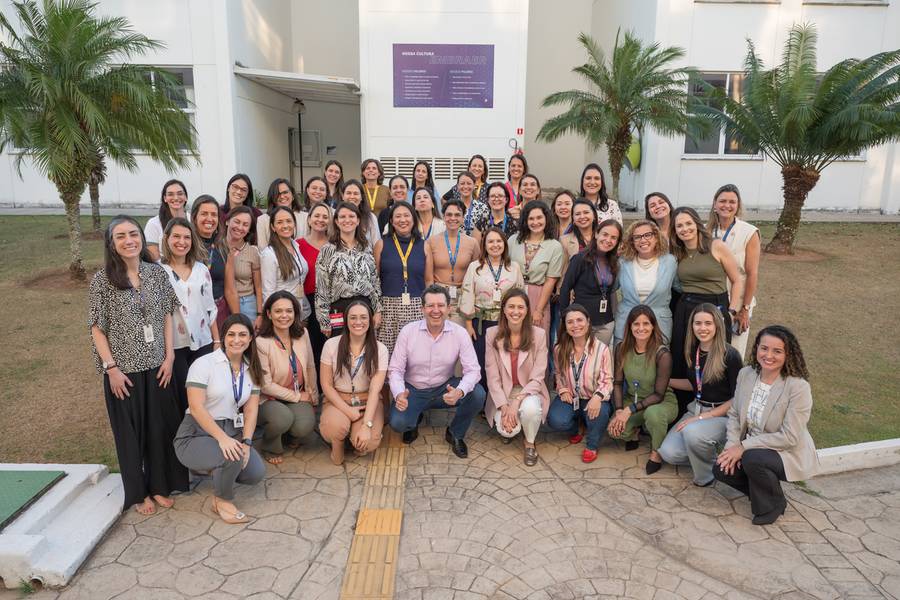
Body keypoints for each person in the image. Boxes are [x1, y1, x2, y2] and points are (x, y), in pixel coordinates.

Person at [89, 215, 188, 514]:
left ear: (142, 238)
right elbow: (97, 328)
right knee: (131, 437)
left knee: (159, 430)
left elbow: (168, 315)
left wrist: (169, 356)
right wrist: (111, 369)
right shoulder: (103, 280)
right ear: (111, 243)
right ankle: (138, 493)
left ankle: (159, 485)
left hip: (158, 366)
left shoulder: (156, 273)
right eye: (120, 236)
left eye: (133, 234)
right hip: (124, 373)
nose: (129, 240)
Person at [714, 326, 818, 525]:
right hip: (752, 447)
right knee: (721, 469)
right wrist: (731, 447)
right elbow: (735, 414)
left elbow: (789, 437)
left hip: (787, 451)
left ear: (788, 354)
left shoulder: (798, 387)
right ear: (757, 348)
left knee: (752, 459)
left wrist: (743, 447)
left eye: (777, 351)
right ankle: (768, 493)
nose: (768, 355)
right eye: (764, 348)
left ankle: (772, 504)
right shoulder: (746, 374)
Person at [173, 314, 265, 524]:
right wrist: (223, 440)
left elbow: (251, 410)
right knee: (231, 455)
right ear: (223, 337)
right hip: (195, 433)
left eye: (243, 334)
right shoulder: (204, 363)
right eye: (231, 334)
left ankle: (217, 464)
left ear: (251, 338)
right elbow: (196, 408)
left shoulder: (251, 367)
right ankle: (221, 500)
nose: (236, 340)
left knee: (255, 474)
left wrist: (247, 442)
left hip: (231, 429)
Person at [388, 284, 487, 458]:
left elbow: (473, 370)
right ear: (422, 308)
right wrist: (398, 394)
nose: (436, 310)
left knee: (477, 394)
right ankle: (414, 420)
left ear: (449, 308)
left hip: (444, 388)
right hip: (413, 391)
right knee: (398, 423)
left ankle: (455, 433)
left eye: (441, 305)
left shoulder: (460, 333)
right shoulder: (408, 332)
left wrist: (460, 391)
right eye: (430, 306)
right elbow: (395, 369)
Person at [670, 206, 743, 415]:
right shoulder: (678, 252)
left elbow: (737, 279)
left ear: (697, 224)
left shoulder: (716, 246)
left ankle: (717, 410)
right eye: (679, 226)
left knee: (715, 360)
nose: (684, 229)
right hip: (686, 309)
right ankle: (683, 410)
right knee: (684, 358)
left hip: (714, 308)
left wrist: (732, 310)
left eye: (688, 223)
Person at [658, 304, 743, 485]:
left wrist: (705, 417)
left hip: (722, 415)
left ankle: (707, 476)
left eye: (708, 323)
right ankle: (710, 454)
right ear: (692, 326)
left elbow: (738, 398)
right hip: (695, 410)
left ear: (717, 326)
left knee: (693, 433)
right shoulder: (693, 351)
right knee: (668, 453)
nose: (702, 328)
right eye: (698, 323)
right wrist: (664, 382)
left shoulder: (731, 355)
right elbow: (694, 385)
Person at [608, 306, 679, 474]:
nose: (641, 328)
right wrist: (619, 410)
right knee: (615, 431)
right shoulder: (621, 348)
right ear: (630, 327)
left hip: (661, 403)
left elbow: (659, 395)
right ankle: (635, 431)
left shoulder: (662, 354)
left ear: (653, 326)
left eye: (646, 323)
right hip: (632, 399)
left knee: (653, 415)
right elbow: (617, 383)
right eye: (636, 324)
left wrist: (628, 410)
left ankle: (656, 452)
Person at [160, 218, 219, 414]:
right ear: (166, 239)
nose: (181, 242)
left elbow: (210, 308)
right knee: (182, 395)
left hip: (203, 341)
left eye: (186, 237)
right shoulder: (158, 272)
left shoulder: (202, 269)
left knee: (205, 393)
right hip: (175, 344)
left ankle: (203, 436)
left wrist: (217, 341)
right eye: (176, 236)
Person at [483, 289, 549, 463]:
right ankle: (515, 424)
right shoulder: (492, 334)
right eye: (511, 306)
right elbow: (492, 376)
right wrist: (505, 406)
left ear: (527, 310)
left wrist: (517, 402)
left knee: (531, 410)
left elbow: (537, 377)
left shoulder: (539, 335)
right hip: (504, 391)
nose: (515, 311)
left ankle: (529, 443)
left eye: (520, 307)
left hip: (528, 390)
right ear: (503, 309)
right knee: (508, 431)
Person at [319, 300, 389, 465]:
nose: (358, 322)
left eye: (363, 317)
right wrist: (348, 411)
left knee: (369, 441)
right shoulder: (331, 345)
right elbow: (326, 385)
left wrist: (366, 425)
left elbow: (374, 390)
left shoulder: (381, 349)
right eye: (353, 318)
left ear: (371, 321)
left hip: (366, 401)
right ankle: (338, 444)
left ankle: (356, 438)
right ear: (346, 320)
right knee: (334, 428)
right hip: (338, 399)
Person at [255, 292, 318, 464]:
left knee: (304, 427)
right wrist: (299, 397)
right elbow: (266, 386)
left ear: (295, 313)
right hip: (268, 398)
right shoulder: (261, 342)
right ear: (269, 314)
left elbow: (311, 366)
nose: (284, 316)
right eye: (278, 311)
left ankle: (288, 435)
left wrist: (313, 396)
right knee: (282, 418)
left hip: (296, 393)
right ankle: (270, 446)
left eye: (289, 311)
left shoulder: (302, 333)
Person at [546, 305, 613, 463]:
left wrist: (597, 397)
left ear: (588, 322)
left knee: (600, 413)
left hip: (592, 398)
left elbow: (607, 380)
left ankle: (592, 444)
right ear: (565, 325)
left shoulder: (602, 349)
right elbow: (558, 373)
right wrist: (562, 389)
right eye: (570, 322)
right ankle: (578, 427)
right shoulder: (559, 349)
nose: (575, 325)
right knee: (555, 420)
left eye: (579, 320)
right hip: (572, 398)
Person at [459, 227, 525, 387]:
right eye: (490, 241)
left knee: (504, 361)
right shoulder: (475, 267)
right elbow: (467, 293)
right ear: (484, 245)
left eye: (498, 241)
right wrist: (468, 324)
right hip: (481, 324)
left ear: (504, 244)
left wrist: (518, 324)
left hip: (507, 323)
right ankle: (481, 402)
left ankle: (501, 399)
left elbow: (521, 295)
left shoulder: (513, 267)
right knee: (482, 361)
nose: (495, 245)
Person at [707, 184, 760, 357]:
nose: (727, 205)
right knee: (709, 350)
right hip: (710, 298)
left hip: (736, 303)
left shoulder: (748, 232)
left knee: (733, 353)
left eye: (732, 202)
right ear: (715, 204)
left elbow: (752, 274)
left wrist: (744, 309)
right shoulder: (705, 231)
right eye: (722, 201)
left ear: (738, 205)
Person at [315, 202, 383, 337]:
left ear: (358, 220)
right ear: (336, 221)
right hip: (339, 310)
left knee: (365, 352)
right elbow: (321, 287)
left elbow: (374, 282)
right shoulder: (327, 250)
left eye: (351, 216)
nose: (347, 220)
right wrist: (324, 320)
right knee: (340, 352)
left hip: (365, 308)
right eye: (342, 217)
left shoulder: (366, 248)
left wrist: (378, 310)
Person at [374, 202, 429, 354]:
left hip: (417, 307)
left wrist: (428, 307)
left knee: (415, 353)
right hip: (388, 308)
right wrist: (377, 309)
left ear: (414, 219)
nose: (402, 220)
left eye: (406, 215)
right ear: (391, 221)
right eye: (398, 216)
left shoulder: (424, 245)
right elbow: (375, 281)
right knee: (388, 353)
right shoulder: (381, 244)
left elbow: (429, 280)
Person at [558, 219, 622, 346]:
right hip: (581, 322)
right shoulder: (580, 259)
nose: (608, 240)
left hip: (605, 323)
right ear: (597, 234)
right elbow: (565, 289)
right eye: (605, 234)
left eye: (614, 238)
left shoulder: (615, 262)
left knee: (599, 360)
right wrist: (566, 318)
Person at [615, 220, 677, 344]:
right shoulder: (623, 262)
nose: (643, 240)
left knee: (659, 362)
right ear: (632, 242)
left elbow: (680, 287)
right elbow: (611, 288)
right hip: (626, 323)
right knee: (623, 361)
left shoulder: (670, 262)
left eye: (648, 235)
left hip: (659, 324)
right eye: (637, 237)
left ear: (656, 237)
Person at [508, 201, 564, 333]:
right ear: (525, 221)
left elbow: (551, 280)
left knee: (536, 337)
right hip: (513, 292)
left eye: (539, 218)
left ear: (546, 219)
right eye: (531, 218)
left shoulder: (554, 246)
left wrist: (539, 309)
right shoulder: (513, 241)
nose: (535, 222)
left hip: (539, 295)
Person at [424, 199, 480, 325]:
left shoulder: (472, 243)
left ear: (463, 217)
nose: (452, 218)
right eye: (449, 215)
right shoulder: (431, 242)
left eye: (457, 215)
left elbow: (476, 274)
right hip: (439, 294)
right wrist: (431, 299)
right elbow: (428, 276)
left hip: (462, 296)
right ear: (443, 217)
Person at [259, 206, 311, 320]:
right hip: (283, 315)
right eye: (279, 222)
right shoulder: (269, 254)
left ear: (294, 224)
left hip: (300, 310)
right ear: (273, 227)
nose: (285, 225)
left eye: (289, 221)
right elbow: (268, 292)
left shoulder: (296, 246)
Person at [298, 202, 332, 365]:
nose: (321, 220)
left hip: (331, 303)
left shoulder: (335, 245)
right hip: (308, 304)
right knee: (312, 348)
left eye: (325, 217)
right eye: (317, 216)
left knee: (331, 348)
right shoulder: (297, 245)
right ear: (309, 220)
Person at [220, 206, 262, 328]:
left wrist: (260, 314)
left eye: (245, 224)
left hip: (246, 303)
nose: (239, 227)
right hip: (221, 303)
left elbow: (258, 286)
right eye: (237, 222)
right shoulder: (216, 247)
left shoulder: (252, 251)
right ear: (227, 221)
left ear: (249, 229)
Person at [190, 196, 226, 315]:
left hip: (219, 309)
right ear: (195, 217)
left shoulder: (222, 246)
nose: (209, 219)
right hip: (194, 311)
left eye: (214, 214)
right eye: (204, 214)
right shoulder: (186, 245)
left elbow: (230, 288)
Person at [145, 179, 188, 262]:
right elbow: (154, 258)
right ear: (165, 198)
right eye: (170, 194)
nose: (176, 198)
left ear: (186, 197)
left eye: (180, 194)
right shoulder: (153, 224)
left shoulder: (193, 220)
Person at [257, 178, 306, 246]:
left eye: (285, 192)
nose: (282, 196)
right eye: (278, 194)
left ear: (293, 195)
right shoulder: (263, 220)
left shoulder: (305, 217)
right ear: (272, 197)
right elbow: (262, 248)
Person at [341, 179, 381, 248]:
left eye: (356, 193)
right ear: (342, 196)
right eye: (348, 193)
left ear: (361, 197)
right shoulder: (335, 215)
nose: (352, 196)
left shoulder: (370, 217)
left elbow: (377, 244)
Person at [455, 171, 488, 236]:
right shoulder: (452, 207)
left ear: (474, 185)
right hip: (455, 245)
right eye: (462, 183)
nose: (465, 186)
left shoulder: (482, 208)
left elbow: (486, 231)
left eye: (469, 183)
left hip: (477, 244)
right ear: (458, 186)